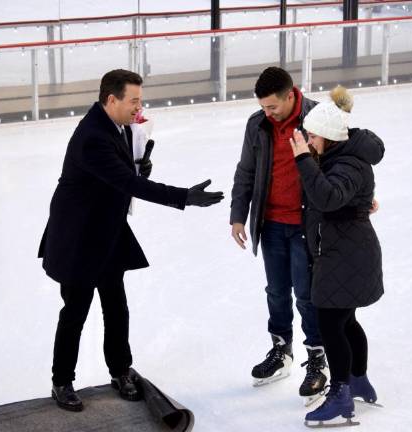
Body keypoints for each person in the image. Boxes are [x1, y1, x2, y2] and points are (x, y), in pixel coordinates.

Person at [38, 69, 224, 412]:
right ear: (112, 99)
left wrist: (140, 166)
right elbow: (127, 183)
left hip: (106, 230)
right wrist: (185, 197)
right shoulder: (92, 136)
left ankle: (120, 371)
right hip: (78, 237)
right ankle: (61, 381)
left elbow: (125, 175)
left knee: (116, 307)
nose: (139, 107)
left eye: (140, 99)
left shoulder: (119, 125)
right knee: (75, 312)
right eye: (133, 101)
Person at [229, 67, 328, 401]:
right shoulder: (257, 124)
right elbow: (245, 171)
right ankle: (281, 350)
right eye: (263, 107)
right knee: (276, 291)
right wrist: (238, 216)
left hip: (306, 224)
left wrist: (362, 196)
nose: (267, 112)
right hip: (270, 223)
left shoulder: (318, 116)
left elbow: (346, 161)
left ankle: (317, 358)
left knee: (306, 294)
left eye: (273, 106)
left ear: (291, 95)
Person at [288, 86, 384, 427]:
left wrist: (302, 159)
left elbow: (327, 198)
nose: (308, 141)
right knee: (347, 321)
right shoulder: (335, 158)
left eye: (312, 136)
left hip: (346, 254)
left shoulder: (346, 164)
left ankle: (341, 394)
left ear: (327, 135)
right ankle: (357, 379)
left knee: (331, 324)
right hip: (345, 251)